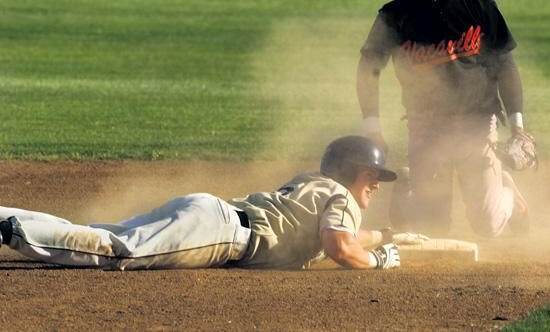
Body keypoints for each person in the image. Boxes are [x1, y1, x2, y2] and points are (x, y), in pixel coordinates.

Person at [0, 136, 427, 270]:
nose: (376, 185)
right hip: (220, 233)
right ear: (352, 171)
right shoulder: (340, 197)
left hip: (209, 212)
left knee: (102, 232)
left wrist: (383, 235)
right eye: (373, 176)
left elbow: (339, 237)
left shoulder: (314, 185)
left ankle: (6, 216)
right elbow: (339, 247)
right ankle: (10, 230)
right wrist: (380, 260)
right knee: (118, 252)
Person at [357, 0, 532, 237]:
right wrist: (373, 128)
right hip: (426, 126)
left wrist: (517, 126)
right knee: (432, 228)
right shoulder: (397, 14)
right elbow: (368, 68)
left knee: (488, 226)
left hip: (477, 125)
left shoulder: (480, 7)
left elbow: (505, 66)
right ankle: (410, 185)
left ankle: (503, 187)